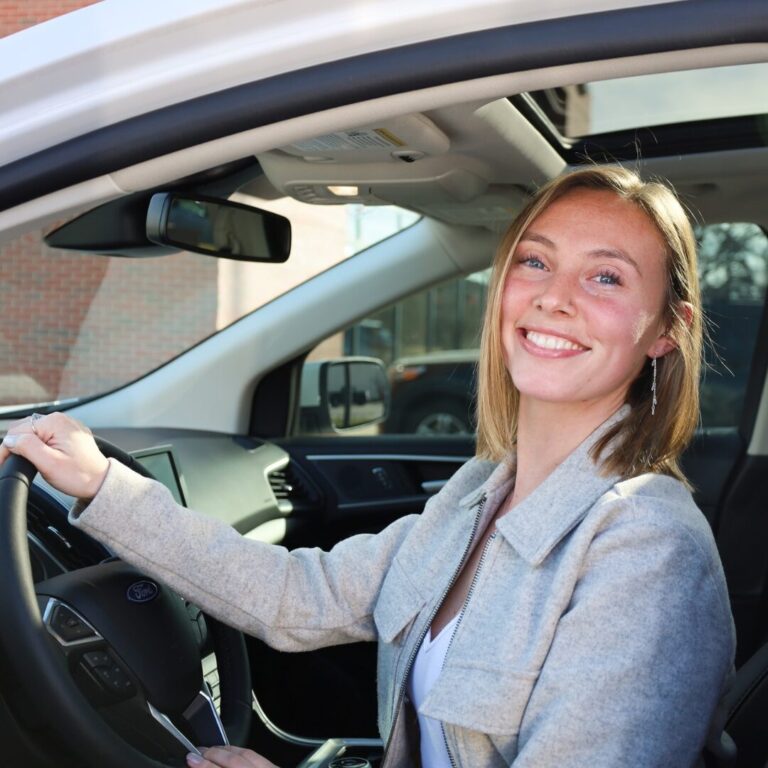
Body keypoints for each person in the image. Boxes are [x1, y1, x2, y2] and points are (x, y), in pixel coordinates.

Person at [0, 166, 735, 768]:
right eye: (534, 262)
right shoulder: (479, 492)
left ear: (666, 332)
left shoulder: (646, 551)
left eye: (605, 279)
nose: (553, 297)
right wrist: (102, 485)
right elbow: (297, 597)